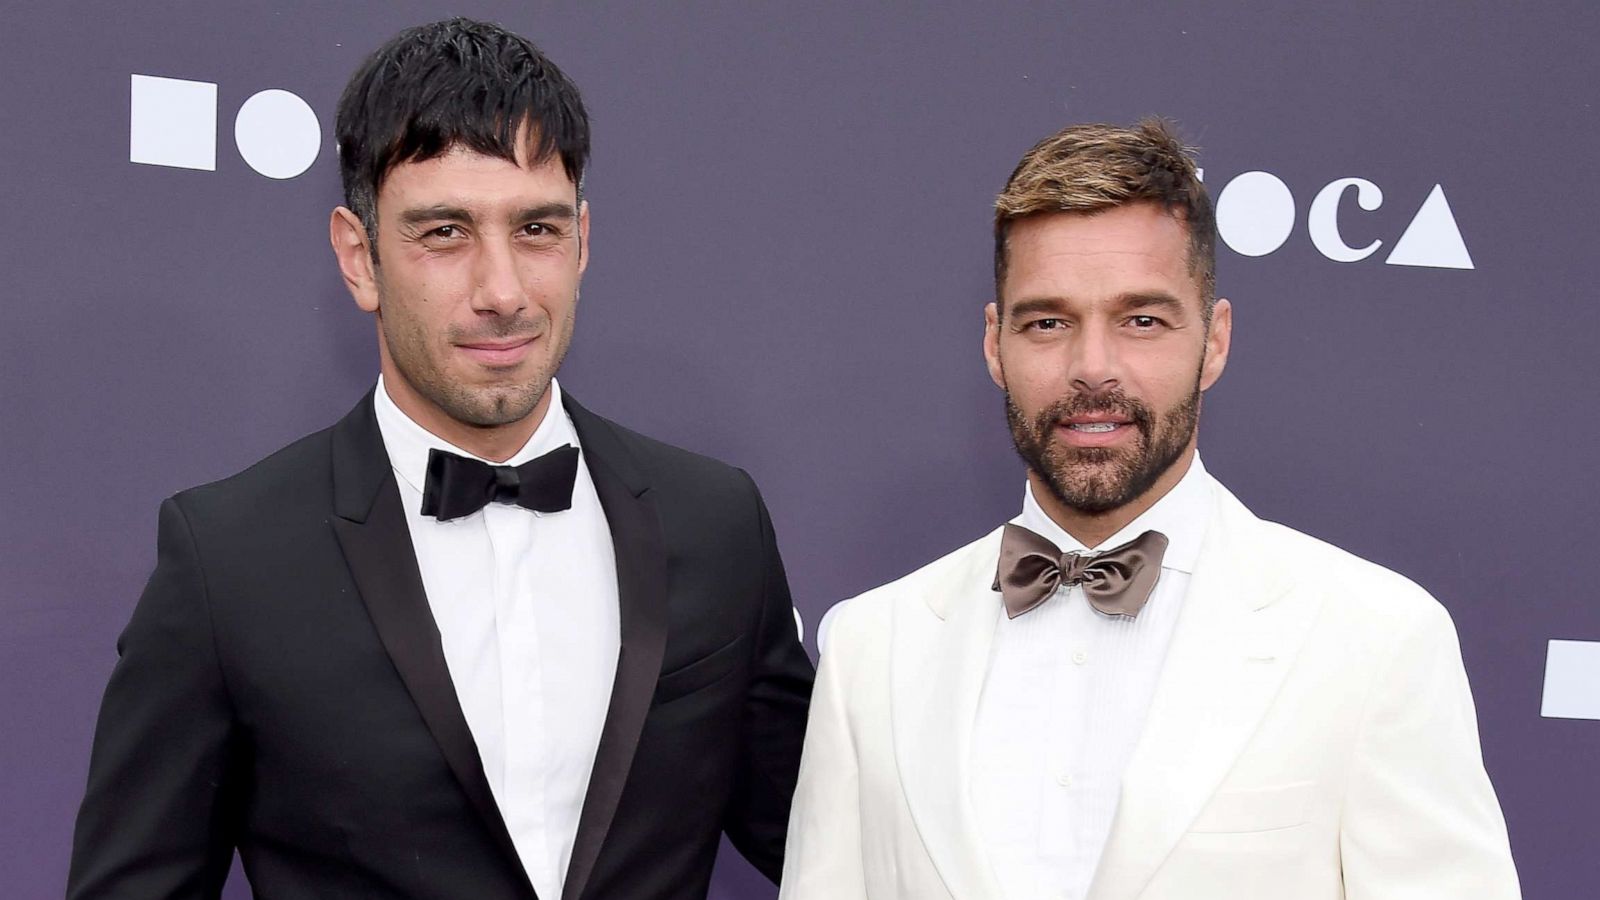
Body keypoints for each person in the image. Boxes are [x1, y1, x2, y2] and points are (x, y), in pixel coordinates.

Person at [68, 18, 813, 900]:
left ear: (582, 241)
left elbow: (836, 845)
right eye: (445, 233)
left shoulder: (716, 521)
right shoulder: (227, 560)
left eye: (535, 229)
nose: (501, 291)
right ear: (360, 257)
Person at [779, 120, 1519, 900]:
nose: (1092, 368)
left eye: (1141, 321)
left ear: (1215, 340)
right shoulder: (871, 649)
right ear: (996, 346)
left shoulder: (1376, 640)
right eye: (1048, 322)